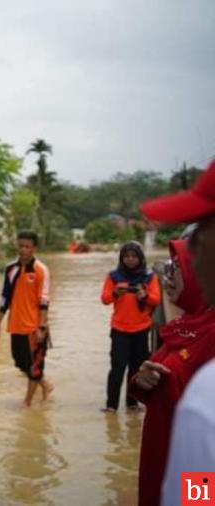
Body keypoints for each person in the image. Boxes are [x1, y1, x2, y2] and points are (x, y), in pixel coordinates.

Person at [137, 159, 215, 505]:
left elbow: (199, 488)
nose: (193, 251)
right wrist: (143, 382)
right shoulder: (187, 327)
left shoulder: (208, 391)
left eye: (199, 234)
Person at [0, 230, 54, 408]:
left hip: (34, 327)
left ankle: (27, 403)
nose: (23, 250)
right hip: (16, 324)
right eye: (20, 246)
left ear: (34, 248)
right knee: (19, 361)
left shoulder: (41, 270)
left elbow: (44, 299)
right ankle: (46, 385)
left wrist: (42, 326)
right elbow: (5, 296)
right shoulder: (11, 269)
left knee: (34, 366)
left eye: (27, 247)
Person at [100, 241, 160, 413]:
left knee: (136, 368)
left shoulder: (149, 276)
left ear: (140, 258)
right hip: (120, 329)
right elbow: (104, 299)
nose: (130, 260)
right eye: (127, 256)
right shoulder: (114, 276)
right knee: (117, 368)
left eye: (134, 256)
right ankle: (111, 405)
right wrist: (115, 293)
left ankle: (132, 404)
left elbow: (156, 299)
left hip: (141, 329)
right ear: (122, 258)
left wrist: (145, 295)